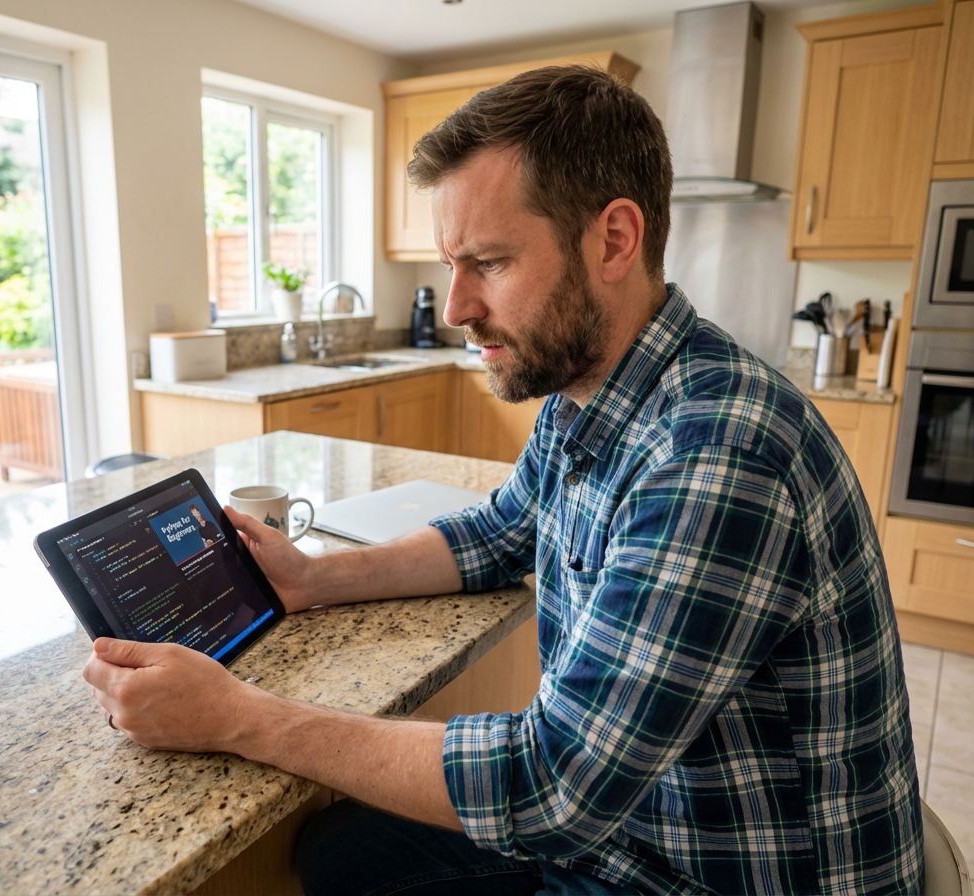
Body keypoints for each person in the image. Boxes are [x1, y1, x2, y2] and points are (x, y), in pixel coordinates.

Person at [83, 66, 922, 895]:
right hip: (643, 831)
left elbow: (550, 788)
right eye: (453, 264)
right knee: (342, 853)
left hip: (713, 874)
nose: (455, 308)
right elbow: (500, 531)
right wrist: (313, 579)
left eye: (487, 262)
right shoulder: (591, 386)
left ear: (615, 241)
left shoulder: (718, 454)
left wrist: (237, 715)